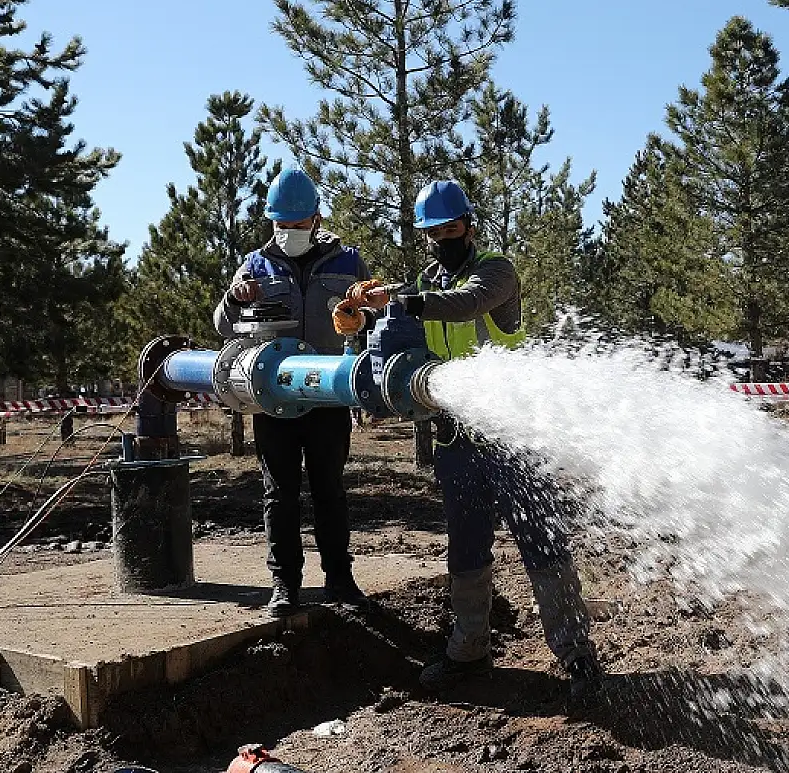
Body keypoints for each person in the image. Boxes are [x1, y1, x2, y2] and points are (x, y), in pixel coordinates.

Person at [333, 179, 605, 698]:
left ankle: (576, 656)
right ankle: (468, 650)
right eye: (432, 231)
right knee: (466, 549)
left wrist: (404, 299)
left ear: (469, 225)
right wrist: (362, 319)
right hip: (457, 440)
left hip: (513, 438)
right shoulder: (423, 280)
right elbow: (406, 331)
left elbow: (463, 305)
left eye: (450, 227)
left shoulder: (497, 271)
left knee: (542, 545)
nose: (442, 237)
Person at [214, 167, 378, 618]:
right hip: (273, 399)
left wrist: (363, 321)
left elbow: (374, 319)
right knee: (279, 494)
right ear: (271, 222)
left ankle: (340, 580)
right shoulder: (254, 265)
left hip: (327, 396)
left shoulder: (348, 262)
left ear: (317, 220)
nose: (288, 232)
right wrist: (234, 296)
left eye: (297, 224)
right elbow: (224, 326)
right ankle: (284, 585)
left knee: (329, 489)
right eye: (280, 224)